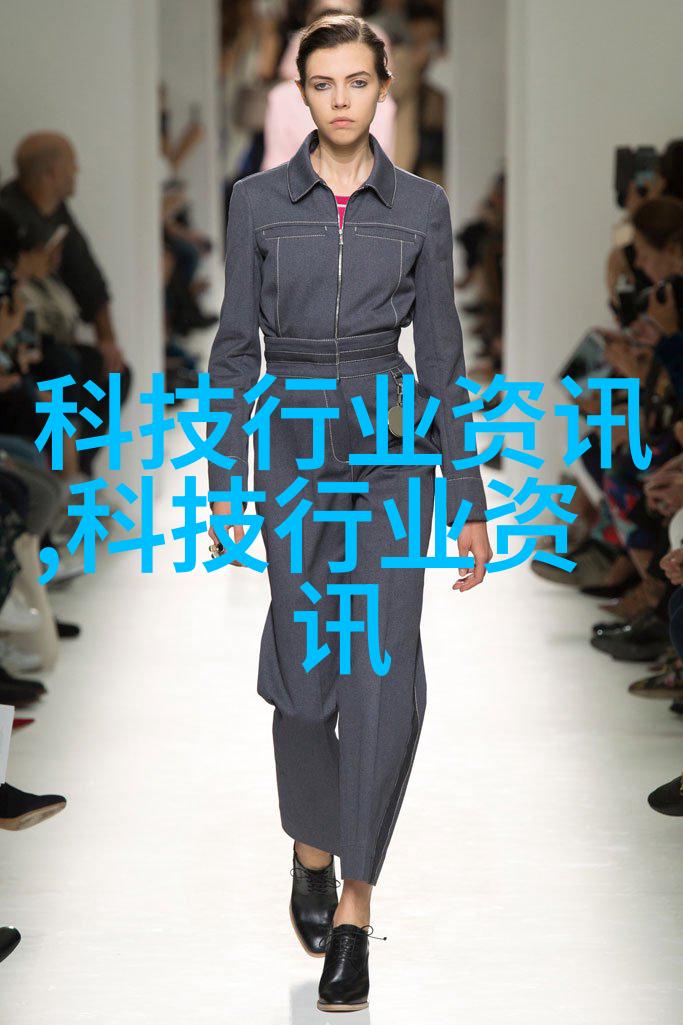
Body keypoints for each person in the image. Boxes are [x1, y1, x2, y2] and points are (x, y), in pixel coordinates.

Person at [206, 13, 491, 1012]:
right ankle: (310, 846)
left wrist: (467, 493)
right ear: (301, 91)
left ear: (382, 87)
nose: (339, 99)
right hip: (290, 440)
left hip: (388, 444)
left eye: (356, 81)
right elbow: (232, 348)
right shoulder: (255, 202)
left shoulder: (419, 206)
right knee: (302, 675)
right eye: (322, 83)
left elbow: (443, 355)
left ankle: (355, 913)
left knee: (379, 671)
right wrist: (223, 478)